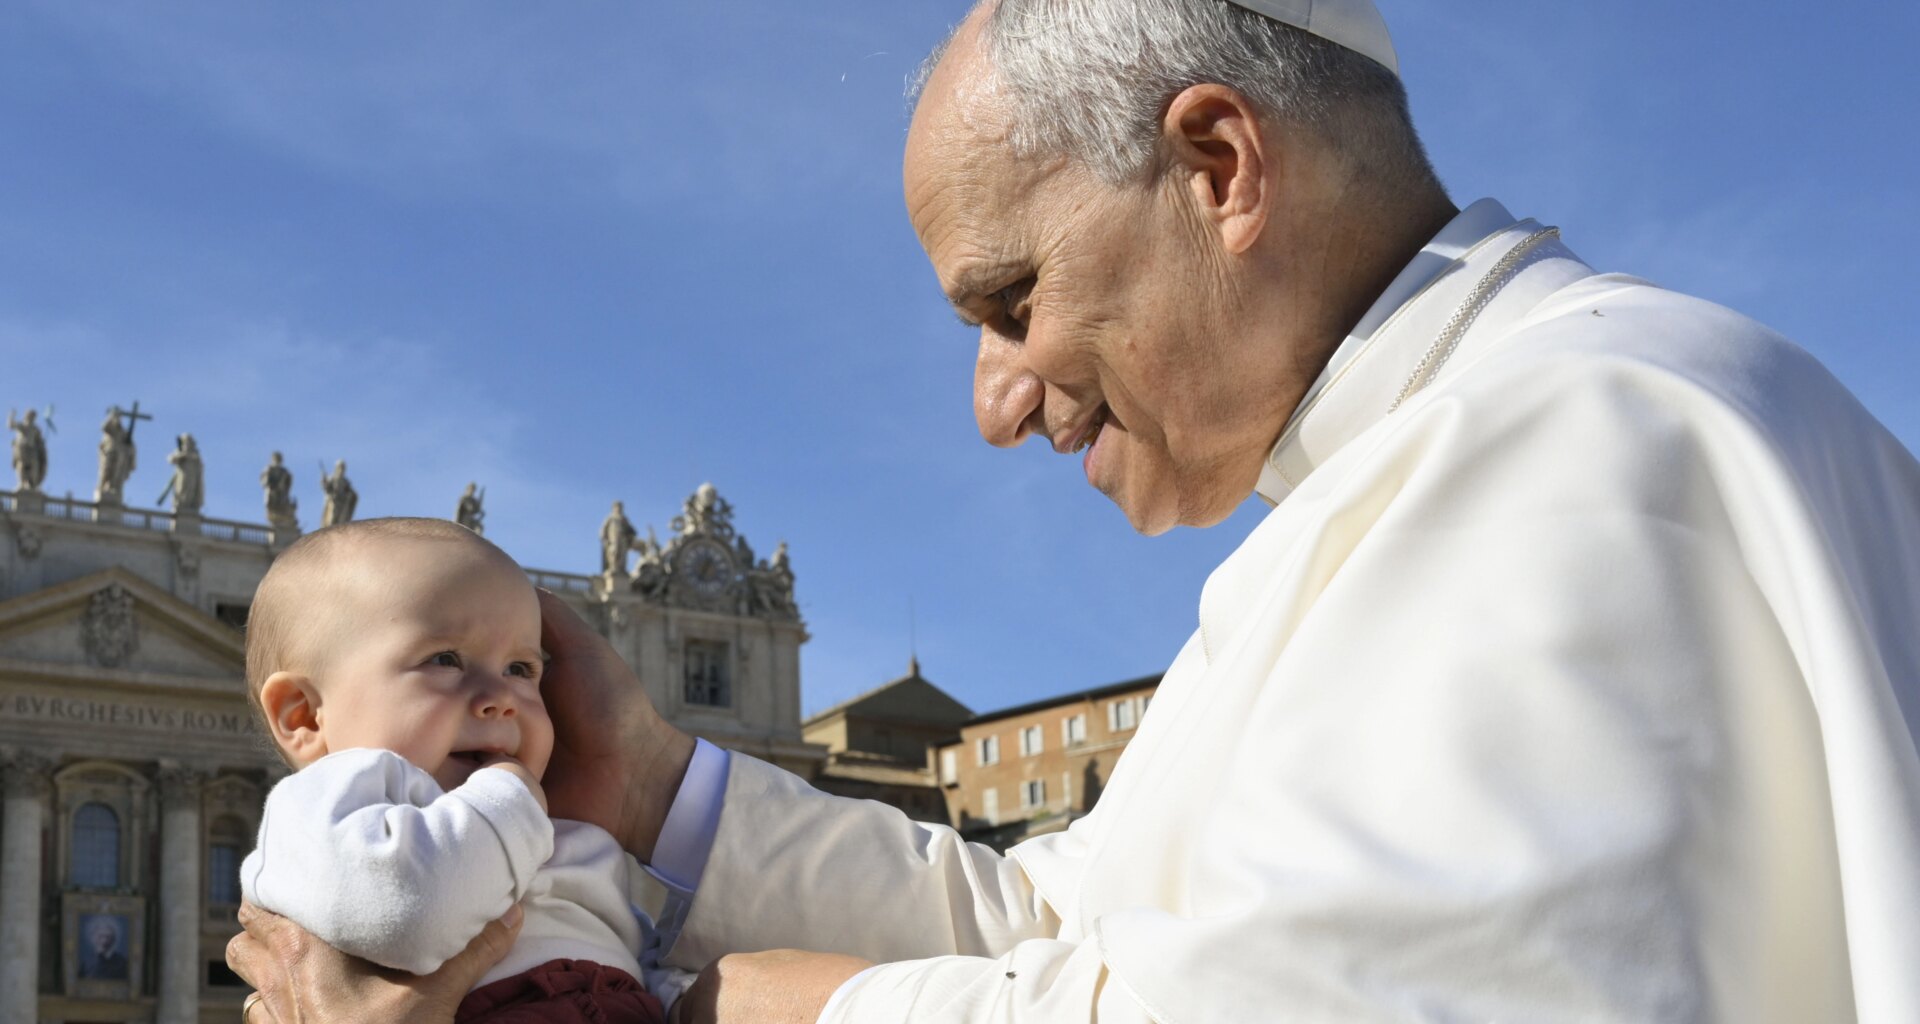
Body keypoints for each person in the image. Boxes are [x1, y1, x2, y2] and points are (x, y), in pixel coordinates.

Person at [229, 1, 1920, 1021]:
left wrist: (687, 1007)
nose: (996, 397)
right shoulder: (1420, 480)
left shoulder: (1586, 442)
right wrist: (656, 783)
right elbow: (1060, 927)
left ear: (1218, 167)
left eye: (1011, 296)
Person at [237, 517, 684, 1022]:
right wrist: (507, 798)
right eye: (445, 659)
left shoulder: (550, 827)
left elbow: (635, 954)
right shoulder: (324, 808)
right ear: (303, 715)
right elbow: (408, 912)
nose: (501, 698)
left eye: (521, 669)